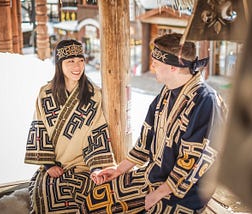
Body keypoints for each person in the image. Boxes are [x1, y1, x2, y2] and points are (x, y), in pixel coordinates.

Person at [83, 33, 227, 213]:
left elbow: (194, 162)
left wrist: (157, 194)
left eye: (156, 63)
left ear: (173, 67)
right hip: (153, 176)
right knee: (94, 200)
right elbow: (146, 138)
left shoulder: (206, 101)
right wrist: (118, 170)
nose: (152, 66)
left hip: (185, 192)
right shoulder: (167, 93)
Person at [24, 39, 116, 213]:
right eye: (71, 61)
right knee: (46, 192)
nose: (77, 66)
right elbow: (39, 128)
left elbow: (96, 131)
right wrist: (49, 165)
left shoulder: (93, 94)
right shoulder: (45, 94)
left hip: (83, 165)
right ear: (59, 64)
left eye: (81, 60)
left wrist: (96, 167)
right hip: (54, 164)